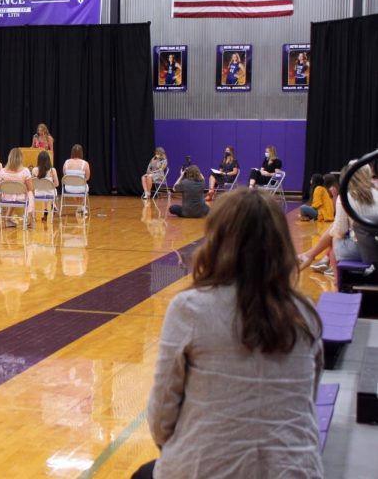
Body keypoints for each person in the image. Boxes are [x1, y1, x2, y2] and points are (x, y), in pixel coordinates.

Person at [134, 189, 323, 479]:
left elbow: (161, 419)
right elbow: (307, 402)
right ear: (281, 245)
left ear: (217, 240)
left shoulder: (190, 309)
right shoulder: (306, 315)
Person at [0, 147, 34, 227]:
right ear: (21, 158)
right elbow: (30, 188)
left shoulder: (3, 171)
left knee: (13, 193)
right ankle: (29, 218)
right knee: (30, 193)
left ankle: (8, 218)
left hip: (6, 197)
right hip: (21, 197)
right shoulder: (25, 171)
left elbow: (0, 186)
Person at [32, 150, 59, 220]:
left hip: (38, 194)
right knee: (50, 191)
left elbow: (32, 184)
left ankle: (45, 210)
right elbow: (56, 184)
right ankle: (52, 206)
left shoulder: (34, 170)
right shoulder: (52, 170)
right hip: (50, 193)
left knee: (43, 190)